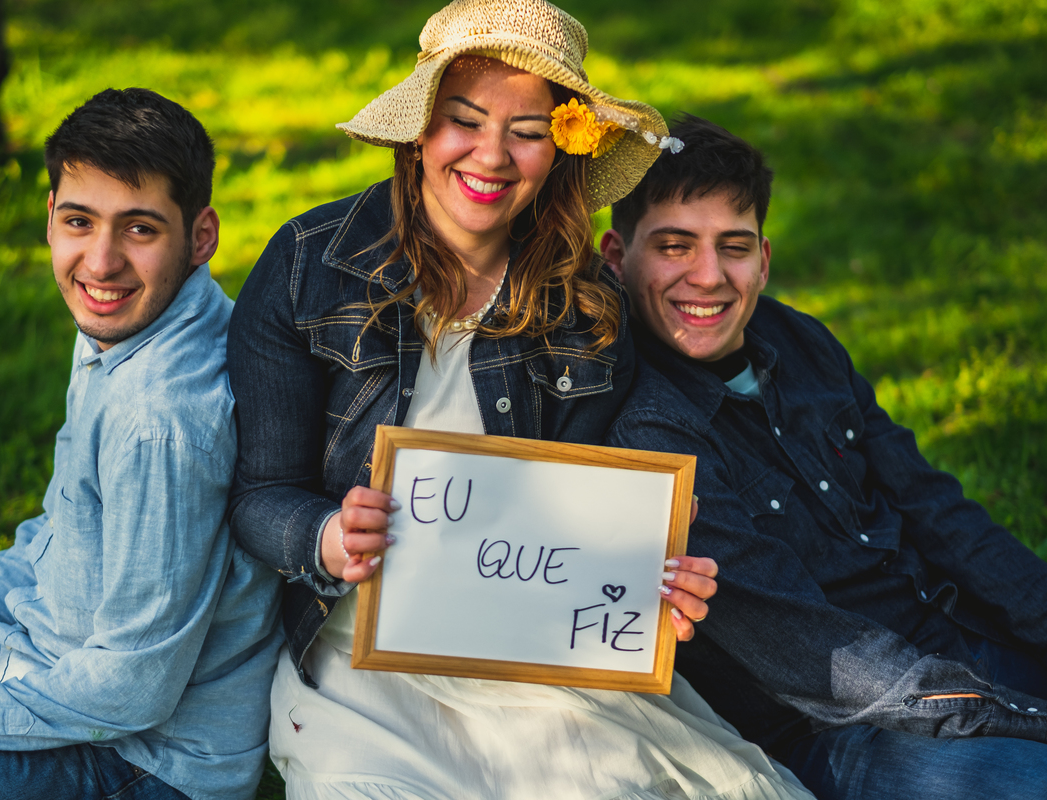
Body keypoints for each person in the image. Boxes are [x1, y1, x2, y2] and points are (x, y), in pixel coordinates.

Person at [228, 1, 812, 798]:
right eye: (464, 120)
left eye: (528, 131)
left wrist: (648, 581)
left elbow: (582, 512)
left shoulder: (585, 306)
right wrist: (327, 536)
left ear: (560, 150)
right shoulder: (309, 266)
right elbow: (259, 496)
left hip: (527, 646)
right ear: (423, 129)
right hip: (360, 651)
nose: (491, 156)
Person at [601, 113, 1047, 800]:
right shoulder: (648, 428)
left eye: (733, 247)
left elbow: (940, 513)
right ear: (616, 258)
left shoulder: (801, 342)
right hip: (834, 726)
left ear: (764, 258)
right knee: (1038, 783)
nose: (708, 277)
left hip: (958, 642)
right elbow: (809, 653)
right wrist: (1037, 724)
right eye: (674, 247)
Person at [0, 88, 284, 800]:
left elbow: (130, 688)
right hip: (44, 661)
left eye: (140, 229)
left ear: (201, 235)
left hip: (139, 761)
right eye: (78, 221)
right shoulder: (120, 328)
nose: (101, 261)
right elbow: (52, 537)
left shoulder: (162, 417)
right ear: (50, 217)